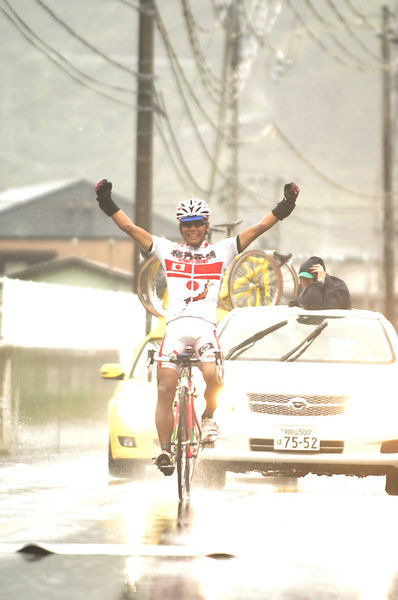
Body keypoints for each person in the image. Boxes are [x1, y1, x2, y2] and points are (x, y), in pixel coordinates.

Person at [95, 179, 299, 474]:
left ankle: (208, 416)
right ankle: (165, 452)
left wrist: (285, 206)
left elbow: (259, 228)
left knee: (211, 376)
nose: (193, 229)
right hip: (175, 329)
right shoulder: (166, 250)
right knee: (164, 388)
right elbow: (130, 228)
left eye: (198, 224)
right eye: (187, 225)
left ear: (207, 226)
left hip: (205, 328)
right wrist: (106, 202)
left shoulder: (223, 250)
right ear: (181, 228)